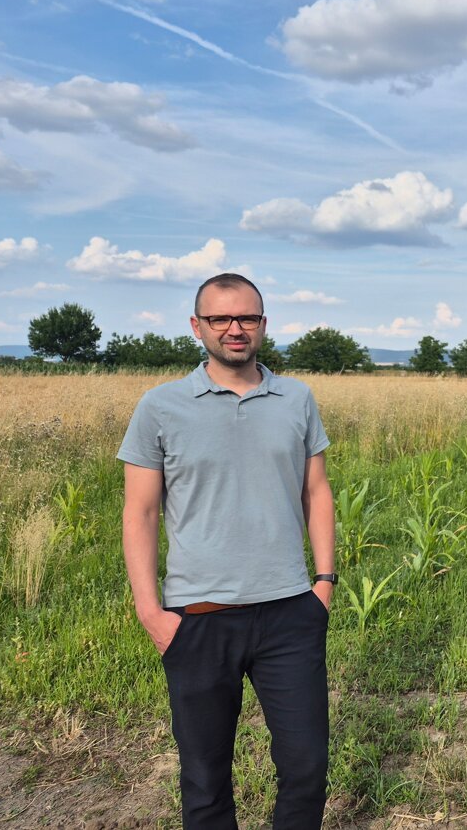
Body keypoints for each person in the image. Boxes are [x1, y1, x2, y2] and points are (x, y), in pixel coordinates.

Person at [119, 272, 336, 829]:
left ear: (264, 325)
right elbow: (140, 513)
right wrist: (151, 612)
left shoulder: (297, 398)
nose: (235, 329)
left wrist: (324, 585)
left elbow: (317, 492)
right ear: (198, 327)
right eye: (221, 319)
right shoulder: (161, 407)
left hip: (290, 612)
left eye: (248, 318)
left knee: (307, 766)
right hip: (198, 618)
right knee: (205, 777)